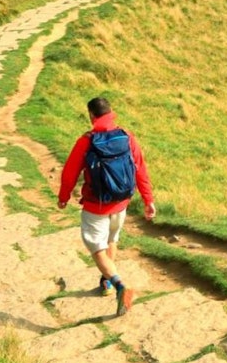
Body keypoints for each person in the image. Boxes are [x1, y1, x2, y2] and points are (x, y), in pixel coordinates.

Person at [57, 96, 156, 317]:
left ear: (91, 115)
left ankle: (120, 285)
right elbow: (140, 169)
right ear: (112, 112)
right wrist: (148, 200)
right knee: (111, 240)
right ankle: (106, 282)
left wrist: (63, 196)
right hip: (120, 204)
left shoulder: (87, 140)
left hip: (96, 207)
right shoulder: (127, 136)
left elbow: (70, 172)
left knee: (97, 248)